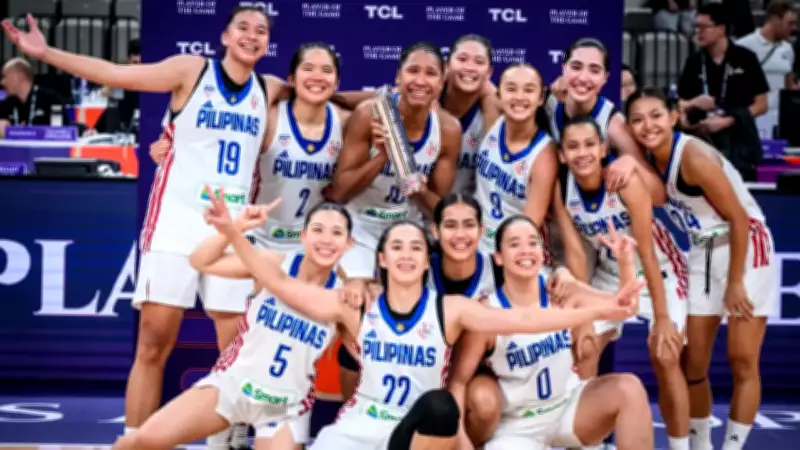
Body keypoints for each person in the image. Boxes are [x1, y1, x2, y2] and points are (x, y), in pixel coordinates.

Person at [2, 7, 285, 442]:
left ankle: (224, 441)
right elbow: (117, 74)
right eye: (242, 28)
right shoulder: (192, 70)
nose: (252, 35)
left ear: (268, 42)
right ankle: (134, 441)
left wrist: (385, 100)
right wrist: (46, 54)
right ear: (225, 36)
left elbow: (327, 93)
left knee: (236, 349)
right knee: (153, 343)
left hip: (231, 229)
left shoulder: (270, 88)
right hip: (177, 219)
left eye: (261, 30)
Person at [212, 187, 642, 450]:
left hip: (429, 421)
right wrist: (233, 234)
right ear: (382, 259)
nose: (407, 255)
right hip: (367, 423)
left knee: (441, 406)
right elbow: (279, 282)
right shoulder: (361, 299)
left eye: (414, 248)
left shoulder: (463, 304)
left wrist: (605, 307)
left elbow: (530, 318)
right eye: (397, 248)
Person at [112, 198, 359, 450]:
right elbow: (201, 261)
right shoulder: (274, 263)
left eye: (336, 232)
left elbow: (367, 354)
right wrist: (236, 227)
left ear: (349, 243)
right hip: (233, 385)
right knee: (138, 442)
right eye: (318, 230)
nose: (326, 240)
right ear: (303, 236)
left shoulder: (346, 298)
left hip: (286, 406)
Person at [627, 87, 776, 450]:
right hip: (702, 250)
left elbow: (739, 218)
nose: (648, 125)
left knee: (742, 359)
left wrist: (736, 282)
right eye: (638, 119)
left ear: (673, 117)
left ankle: (733, 447)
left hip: (745, 244)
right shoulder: (648, 158)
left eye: (656, 116)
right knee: (692, 363)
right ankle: (700, 445)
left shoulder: (692, 156)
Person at [449, 216, 654, 450]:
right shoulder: (487, 313)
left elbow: (625, 307)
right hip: (519, 424)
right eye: (515, 244)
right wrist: (461, 441)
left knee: (629, 388)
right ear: (498, 257)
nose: (526, 251)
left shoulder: (561, 290)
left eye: (533, 243)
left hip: (568, 408)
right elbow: (458, 382)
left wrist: (625, 263)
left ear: (542, 251)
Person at [551, 116, 691, 450]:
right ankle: (587, 445)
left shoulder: (625, 183)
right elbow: (576, 253)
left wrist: (661, 318)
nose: (582, 153)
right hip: (611, 273)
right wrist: (582, 318)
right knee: (584, 347)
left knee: (665, 355)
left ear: (603, 149)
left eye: (589, 144)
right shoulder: (562, 186)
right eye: (573, 146)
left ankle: (681, 447)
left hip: (660, 271)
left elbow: (649, 253)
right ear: (562, 154)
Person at [338, 193, 501, 447]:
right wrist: (358, 282)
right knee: (352, 352)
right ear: (436, 231)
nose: (460, 235)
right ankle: (363, 424)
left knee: (484, 403)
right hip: (421, 360)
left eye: (468, 225)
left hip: (471, 366)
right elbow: (378, 294)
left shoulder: (497, 270)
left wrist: (562, 274)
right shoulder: (417, 263)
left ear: (481, 230)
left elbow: (534, 288)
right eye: (450, 225)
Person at [328, 42, 461, 280]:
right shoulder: (369, 114)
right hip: (361, 224)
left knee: (408, 293)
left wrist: (418, 189)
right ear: (398, 77)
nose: (420, 81)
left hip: (408, 229)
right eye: (413, 71)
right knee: (357, 291)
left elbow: (439, 212)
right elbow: (339, 194)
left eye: (431, 73)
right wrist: (382, 157)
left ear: (442, 83)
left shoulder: (448, 129)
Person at [473, 63, 558, 261]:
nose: (519, 96)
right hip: (476, 241)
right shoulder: (494, 114)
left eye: (529, 90)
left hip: (512, 251)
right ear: (499, 94)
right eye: (511, 89)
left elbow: (527, 228)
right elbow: (468, 75)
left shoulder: (544, 155)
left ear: (541, 98)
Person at [677, 2, 768, 179]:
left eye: (704, 27)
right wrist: (694, 103)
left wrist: (729, 120)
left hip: (739, 143)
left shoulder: (746, 58)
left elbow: (761, 104)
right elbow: (680, 103)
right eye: (696, 27)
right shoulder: (694, 61)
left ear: (721, 29)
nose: (698, 32)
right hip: (703, 142)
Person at [736, 0, 798, 139]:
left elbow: (788, 87)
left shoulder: (788, 49)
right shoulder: (743, 46)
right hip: (753, 119)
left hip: (779, 121)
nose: (793, 28)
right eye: (789, 23)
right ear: (775, 19)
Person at [0, 57, 67, 137]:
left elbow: (65, 131)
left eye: (5, 76)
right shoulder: (6, 105)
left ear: (18, 76)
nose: (2, 82)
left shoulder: (51, 100)